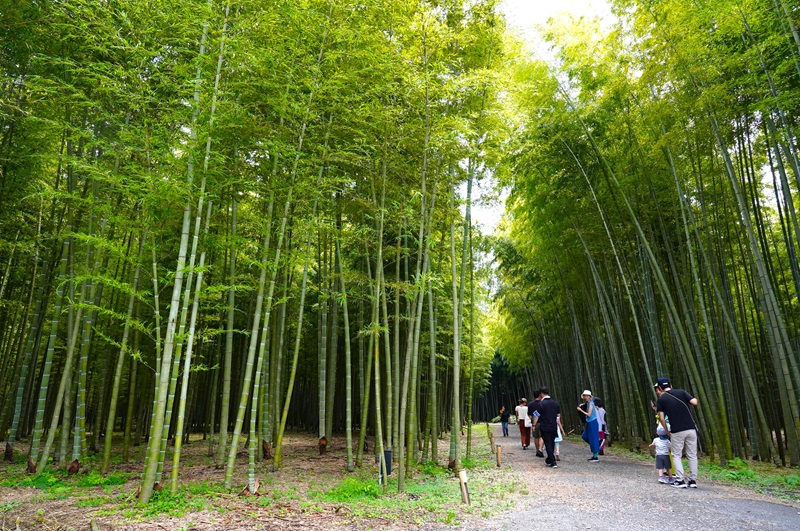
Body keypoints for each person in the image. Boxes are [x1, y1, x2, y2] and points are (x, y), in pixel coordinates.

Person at [655, 377, 699, 488]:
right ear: (671, 385)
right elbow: (694, 402)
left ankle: (680, 481)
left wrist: (666, 430)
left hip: (677, 430)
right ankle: (693, 481)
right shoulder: (681, 392)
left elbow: (661, 418)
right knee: (692, 455)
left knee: (677, 455)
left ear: (659, 388)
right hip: (691, 428)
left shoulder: (661, 399)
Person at [532, 387, 565, 468]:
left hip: (545, 426)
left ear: (541, 394)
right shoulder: (555, 403)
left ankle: (553, 461)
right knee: (552, 442)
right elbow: (558, 415)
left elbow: (536, 415)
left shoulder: (541, 404)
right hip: (553, 426)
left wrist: (534, 425)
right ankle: (550, 459)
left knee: (547, 443)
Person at [577, 390, 600, 462]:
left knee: (593, 439)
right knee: (585, 436)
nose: (584, 397)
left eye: (586, 396)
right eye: (584, 396)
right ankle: (597, 442)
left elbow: (589, 414)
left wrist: (580, 410)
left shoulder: (591, 404)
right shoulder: (589, 403)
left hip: (593, 422)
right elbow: (585, 405)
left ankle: (595, 457)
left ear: (589, 397)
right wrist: (582, 405)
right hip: (589, 423)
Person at [530, 390, 544, 458]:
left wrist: (533, 421)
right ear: (539, 395)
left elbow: (529, 415)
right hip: (542, 421)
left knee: (536, 437)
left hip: (534, 422)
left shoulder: (531, 404)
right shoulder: (542, 403)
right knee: (542, 436)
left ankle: (537, 450)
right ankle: (540, 450)